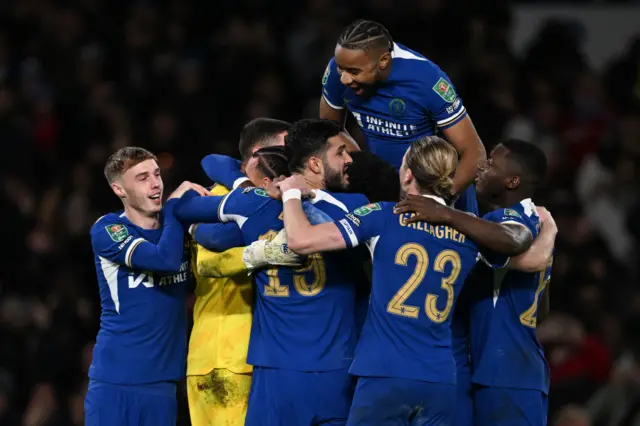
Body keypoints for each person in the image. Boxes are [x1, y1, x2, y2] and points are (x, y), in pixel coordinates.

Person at [175, 118, 370, 426]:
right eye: (341, 153)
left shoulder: (252, 204)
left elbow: (187, 212)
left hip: (272, 369)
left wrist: (204, 220)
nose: (348, 160)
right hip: (333, 368)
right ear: (315, 164)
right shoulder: (355, 207)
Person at [277, 135, 481, 425]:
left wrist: (291, 194)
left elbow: (300, 240)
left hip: (386, 373)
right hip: (441, 379)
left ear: (408, 173)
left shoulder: (385, 216)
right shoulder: (468, 236)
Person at [186, 120, 299, 426]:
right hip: (231, 356)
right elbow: (208, 263)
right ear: (259, 156)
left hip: (225, 356)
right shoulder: (216, 199)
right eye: (285, 150)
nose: (292, 158)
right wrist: (261, 253)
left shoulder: (279, 200)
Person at [84, 147, 208, 426]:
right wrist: (175, 211)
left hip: (163, 385)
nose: (155, 183)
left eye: (157, 174)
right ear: (119, 189)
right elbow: (162, 260)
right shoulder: (108, 228)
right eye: (141, 178)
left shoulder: (178, 229)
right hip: (115, 383)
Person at [320, 19, 485, 197]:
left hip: (438, 189)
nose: (344, 79)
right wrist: (366, 167)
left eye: (354, 71)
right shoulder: (338, 71)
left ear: (383, 61)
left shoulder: (426, 79)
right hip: (386, 188)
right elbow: (329, 133)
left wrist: (439, 199)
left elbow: (474, 153)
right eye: (340, 68)